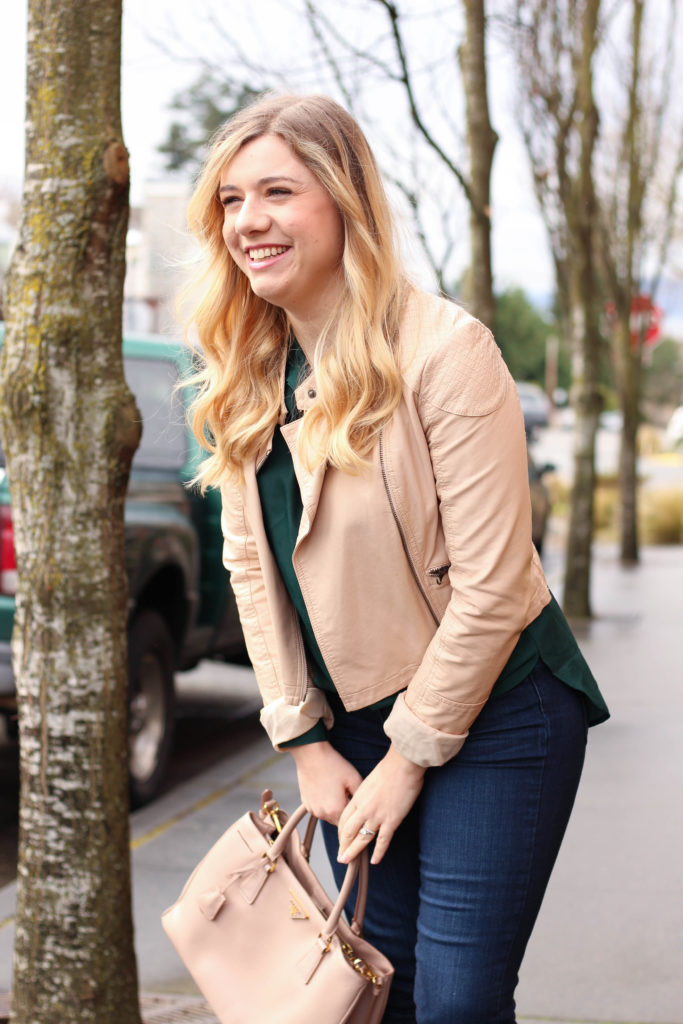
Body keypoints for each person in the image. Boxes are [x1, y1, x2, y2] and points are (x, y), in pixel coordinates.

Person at [183, 93, 609, 1024]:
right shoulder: (246, 374)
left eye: (278, 193)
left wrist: (409, 757)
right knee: (373, 984)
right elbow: (254, 574)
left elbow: (496, 588)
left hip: (500, 711)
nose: (249, 220)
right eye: (230, 199)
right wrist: (300, 739)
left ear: (344, 201)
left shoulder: (446, 352)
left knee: (453, 999)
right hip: (353, 727)